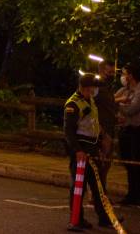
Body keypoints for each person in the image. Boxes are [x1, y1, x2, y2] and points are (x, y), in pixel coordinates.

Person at [65, 72, 112, 230]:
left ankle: (104, 218)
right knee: (79, 187)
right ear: (84, 87)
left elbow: (93, 124)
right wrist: (77, 151)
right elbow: (69, 132)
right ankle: (76, 219)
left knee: (98, 185)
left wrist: (102, 140)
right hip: (81, 150)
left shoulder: (89, 100)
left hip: (92, 148)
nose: (94, 91)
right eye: (92, 88)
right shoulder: (73, 104)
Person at [117, 63, 140, 206]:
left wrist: (119, 105)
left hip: (136, 130)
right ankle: (131, 194)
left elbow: (132, 109)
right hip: (124, 129)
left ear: (131, 75)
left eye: (125, 73)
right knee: (127, 162)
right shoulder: (124, 90)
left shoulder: (139, 90)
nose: (123, 76)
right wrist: (121, 101)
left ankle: (136, 194)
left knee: (135, 162)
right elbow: (110, 100)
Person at [95, 59, 118, 189]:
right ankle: (98, 194)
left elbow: (109, 107)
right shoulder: (96, 88)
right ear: (102, 71)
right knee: (100, 164)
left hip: (110, 128)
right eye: (109, 72)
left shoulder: (108, 88)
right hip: (100, 130)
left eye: (113, 72)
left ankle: (101, 193)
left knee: (106, 164)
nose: (112, 75)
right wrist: (101, 132)